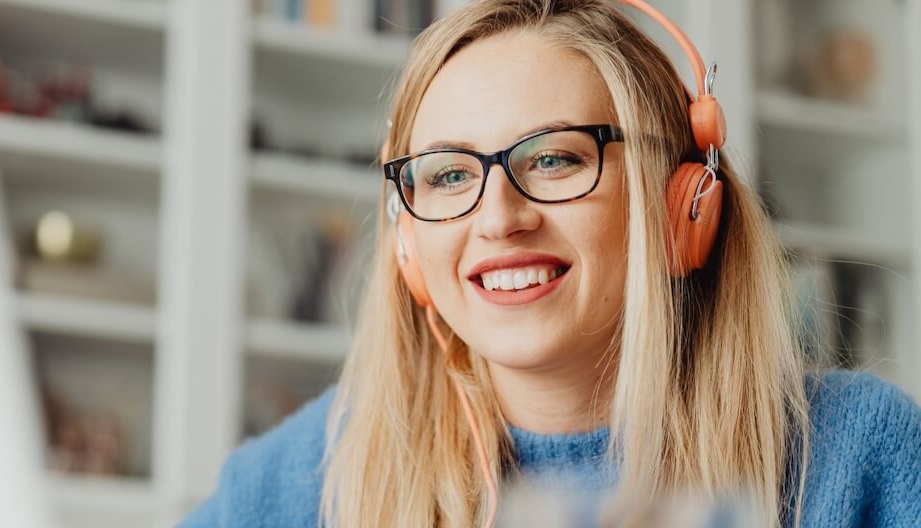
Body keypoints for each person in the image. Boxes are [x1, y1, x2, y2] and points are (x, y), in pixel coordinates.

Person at [181, 0, 921, 526]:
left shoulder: (859, 454)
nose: (498, 217)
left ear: (681, 211)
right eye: (449, 174)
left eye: (555, 159)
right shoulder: (310, 473)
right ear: (408, 244)